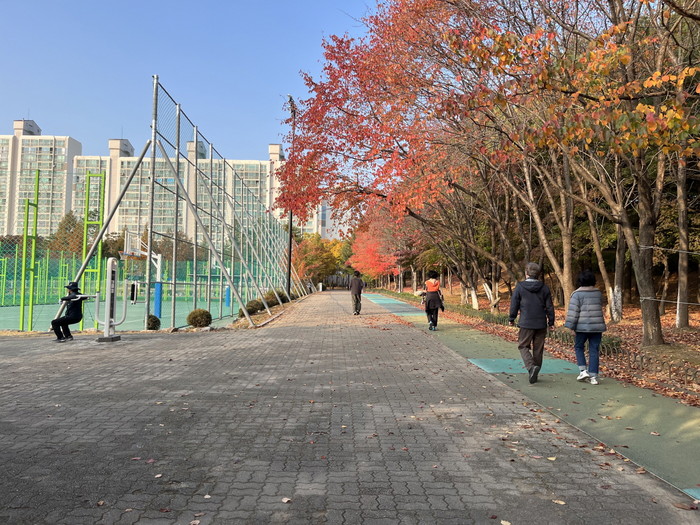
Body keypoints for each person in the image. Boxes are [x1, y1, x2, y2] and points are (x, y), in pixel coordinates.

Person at [508, 263, 555, 383]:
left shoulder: (520, 287)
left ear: (526, 273)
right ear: (538, 274)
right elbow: (549, 306)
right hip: (541, 323)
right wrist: (551, 321)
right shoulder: (544, 288)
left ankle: (531, 367)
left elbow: (514, 304)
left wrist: (511, 318)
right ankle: (535, 372)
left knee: (523, 346)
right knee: (538, 349)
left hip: (526, 322)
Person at [564, 270, 607, 385]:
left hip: (581, 327)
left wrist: (571, 327)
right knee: (594, 350)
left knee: (579, 347)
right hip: (597, 327)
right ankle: (594, 376)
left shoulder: (576, 295)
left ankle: (583, 371)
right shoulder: (598, 294)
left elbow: (573, 312)